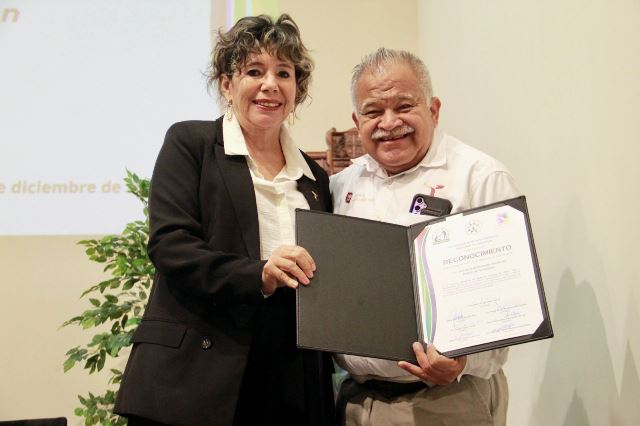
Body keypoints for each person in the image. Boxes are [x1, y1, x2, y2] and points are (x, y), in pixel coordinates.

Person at [114, 14, 334, 426]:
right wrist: (259, 274)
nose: (270, 84)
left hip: (287, 374)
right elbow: (171, 245)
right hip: (194, 374)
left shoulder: (314, 178)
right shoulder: (191, 144)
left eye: (283, 73)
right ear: (226, 84)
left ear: (297, 90)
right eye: (254, 71)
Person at [330, 48, 519, 425]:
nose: (389, 122)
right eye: (373, 111)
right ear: (357, 121)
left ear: (433, 109)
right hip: (356, 402)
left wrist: (463, 361)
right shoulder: (340, 185)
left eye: (404, 106)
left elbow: (511, 305)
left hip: (448, 400)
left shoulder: (479, 178)